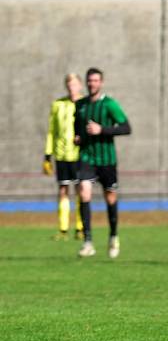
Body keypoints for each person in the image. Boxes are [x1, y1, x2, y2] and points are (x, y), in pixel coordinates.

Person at [73, 68, 131, 258]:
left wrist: (102, 130)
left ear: (101, 82)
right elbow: (77, 126)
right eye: (89, 81)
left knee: (110, 198)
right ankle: (88, 241)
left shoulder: (109, 104)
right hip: (87, 157)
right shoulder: (80, 104)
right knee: (84, 190)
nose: (92, 84)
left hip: (107, 160)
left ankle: (113, 236)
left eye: (96, 80)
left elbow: (126, 127)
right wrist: (78, 137)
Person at [44, 73, 84, 240]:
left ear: (80, 85)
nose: (71, 87)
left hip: (79, 155)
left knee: (81, 191)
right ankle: (63, 229)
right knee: (63, 191)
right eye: (68, 84)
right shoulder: (58, 105)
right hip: (61, 154)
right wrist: (47, 155)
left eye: (74, 83)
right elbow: (52, 131)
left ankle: (81, 228)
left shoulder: (85, 104)